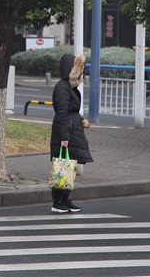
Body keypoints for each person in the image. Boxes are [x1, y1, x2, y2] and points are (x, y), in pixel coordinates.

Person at [50, 53, 93, 213]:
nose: (80, 72)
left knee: (70, 165)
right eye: (77, 68)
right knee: (62, 166)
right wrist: (64, 137)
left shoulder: (69, 86)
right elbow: (61, 113)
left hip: (73, 129)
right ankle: (57, 201)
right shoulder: (62, 88)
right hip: (66, 131)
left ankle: (66, 199)